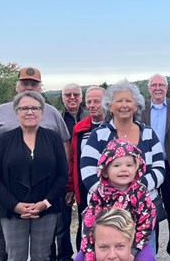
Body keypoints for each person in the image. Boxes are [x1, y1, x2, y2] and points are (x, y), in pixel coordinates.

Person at [0, 66, 71, 261]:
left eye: (34, 84)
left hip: (45, 204)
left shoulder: (53, 127)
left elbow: (62, 169)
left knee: (43, 255)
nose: (29, 112)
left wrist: (45, 202)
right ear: (16, 112)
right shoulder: (4, 132)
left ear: (42, 111)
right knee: (13, 255)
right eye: (24, 83)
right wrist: (9, 201)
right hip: (11, 203)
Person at [81, 81, 165, 254]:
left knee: (142, 254)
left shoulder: (148, 133)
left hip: (143, 210)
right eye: (119, 101)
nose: (124, 105)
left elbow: (159, 168)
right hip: (107, 214)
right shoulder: (99, 135)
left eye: (129, 101)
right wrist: (113, 193)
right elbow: (87, 170)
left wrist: (134, 190)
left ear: (136, 106)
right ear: (110, 106)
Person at [80, 139, 156, 260]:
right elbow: (90, 220)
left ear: (137, 167)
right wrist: (90, 250)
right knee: (81, 257)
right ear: (105, 171)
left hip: (133, 240)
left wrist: (134, 249)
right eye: (116, 165)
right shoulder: (100, 192)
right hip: (104, 238)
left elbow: (147, 220)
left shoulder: (140, 192)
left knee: (147, 257)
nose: (124, 169)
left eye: (129, 165)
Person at [141, 74, 170, 261]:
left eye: (161, 84)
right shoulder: (140, 109)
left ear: (167, 88)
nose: (158, 88)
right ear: (149, 88)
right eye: (154, 85)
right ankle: (152, 250)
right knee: (150, 209)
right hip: (148, 168)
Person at [67, 86, 106, 249]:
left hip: (109, 187)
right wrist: (71, 187)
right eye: (89, 101)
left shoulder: (114, 125)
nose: (92, 105)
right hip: (85, 188)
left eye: (96, 101)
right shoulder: (80, 128)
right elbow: (74, 160)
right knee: (86, 226)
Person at [56, 82, 85, 261]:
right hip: (61, 177)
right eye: (68, 95)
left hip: (83, 178)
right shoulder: (56, 118)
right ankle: (64, 257)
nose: (72, 98)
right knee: (62, 223)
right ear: (62, 98)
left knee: (86, 222)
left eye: (75, 94)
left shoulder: (91, 117)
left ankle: (83, 255)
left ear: (81, 98)